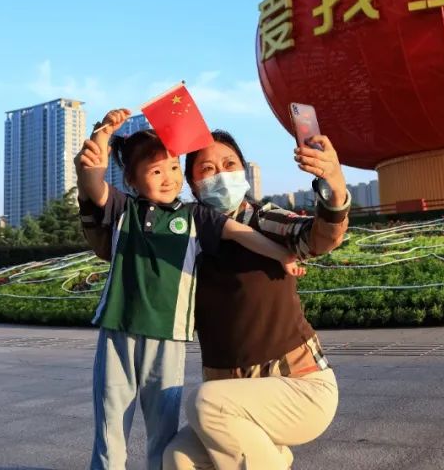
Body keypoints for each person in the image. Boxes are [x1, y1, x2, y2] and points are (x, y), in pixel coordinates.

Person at [75, 109, 304, 470]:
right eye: (155, 171)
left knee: (162, 431)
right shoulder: (123, 209)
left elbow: (239, 232)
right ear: (132, 180)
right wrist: (103, 134)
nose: (168, 178)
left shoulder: (194, 215)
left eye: (173, 167)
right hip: (118, 329)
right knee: (110, 425)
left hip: (168, 336)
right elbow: (92, 181)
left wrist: (281, 255)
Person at [162, 128, 351, 470]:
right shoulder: (188, 238)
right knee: (177, 458)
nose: (221, 175)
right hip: (233, 397)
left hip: (298, 386)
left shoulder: (262, 219)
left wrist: (335, 186)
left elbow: (315, 238)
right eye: (207, 169)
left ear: (243, 171)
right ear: (192, 184)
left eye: (229, 164)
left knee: (206, 404)